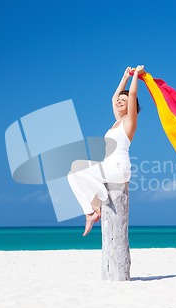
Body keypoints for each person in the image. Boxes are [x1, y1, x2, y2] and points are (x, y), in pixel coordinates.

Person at [67, 65, 144, 236]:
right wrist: (124, 77)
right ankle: (96, 207)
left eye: (122, 102)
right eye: (119, 100)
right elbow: (113, 99)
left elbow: (131, 95)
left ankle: (91, 212)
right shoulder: (117, 122)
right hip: (109, 166)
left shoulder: (129, 122)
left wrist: (136, 76)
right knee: (76, 167)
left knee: (73, 174)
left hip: (118, 167)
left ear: (130, 107)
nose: (118, 102)